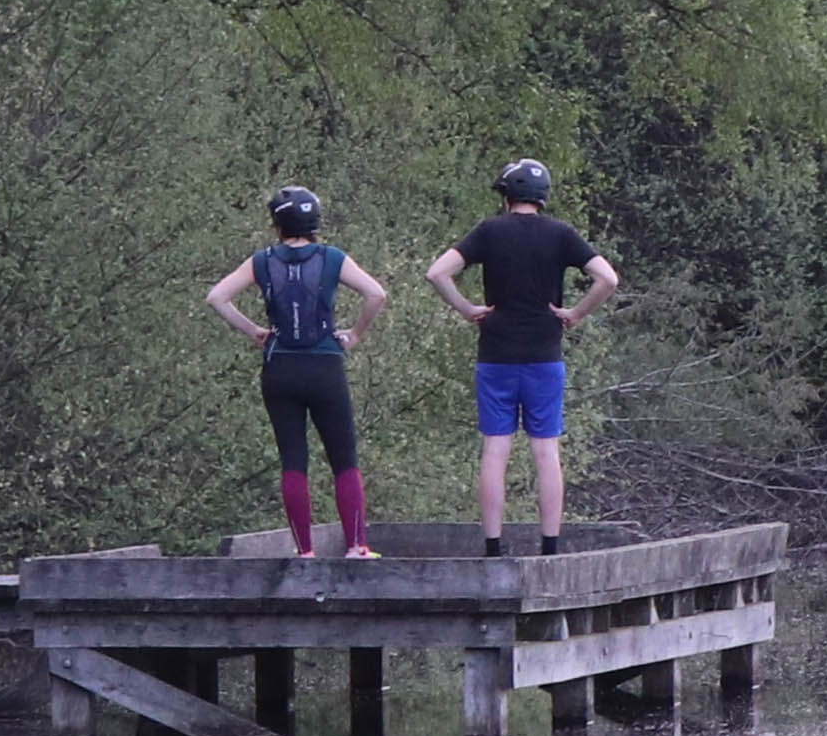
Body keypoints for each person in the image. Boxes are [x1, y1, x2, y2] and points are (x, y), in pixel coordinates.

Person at [426, 158, 619, 553]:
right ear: (542, 196)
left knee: (495, 450)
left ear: (507, 196)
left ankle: (493, 547)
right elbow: (608, 279)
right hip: (544, 356)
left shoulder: (489, 231)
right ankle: (549, 547)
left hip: (495, 355)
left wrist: (466, 309)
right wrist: (576, 314)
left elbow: (437, 273)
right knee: (545, 451)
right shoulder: (561, 234)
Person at [203, 188, 388, 556]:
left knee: (293, 459)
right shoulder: (332, 258)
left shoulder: (261, 261)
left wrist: (253, 331)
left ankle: (305, 552)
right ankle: (356, 546)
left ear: (278, 225)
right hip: (325, 366)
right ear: (315, 223)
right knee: (344, 458)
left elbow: (217, 297)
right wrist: (355, 334)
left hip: (280, 368)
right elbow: (376, 294)